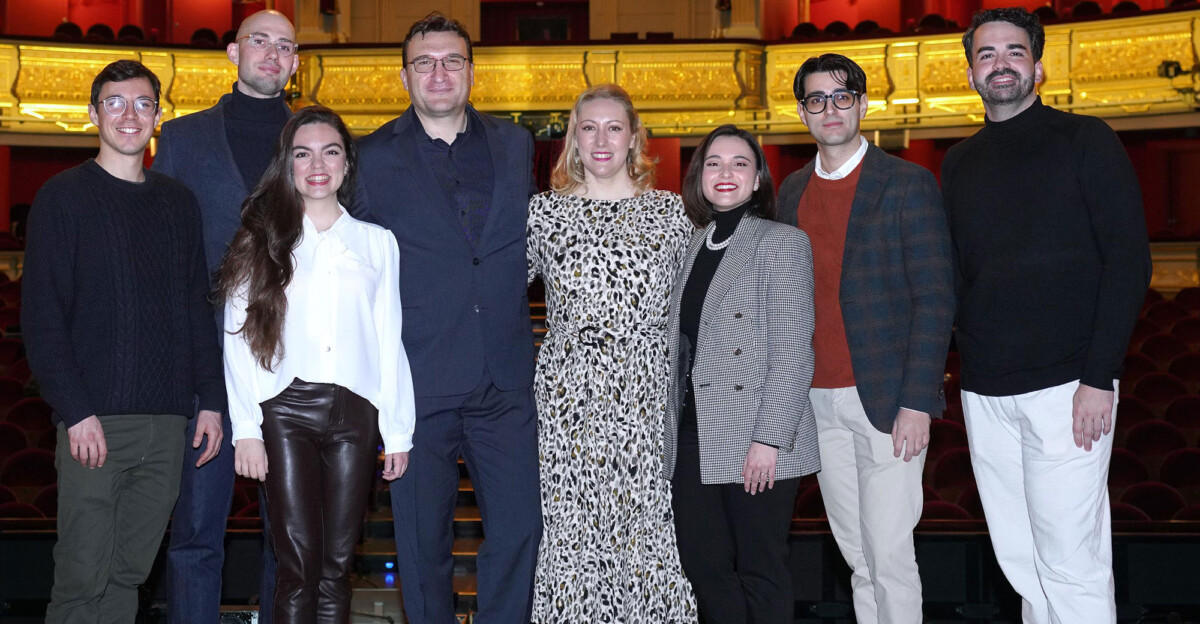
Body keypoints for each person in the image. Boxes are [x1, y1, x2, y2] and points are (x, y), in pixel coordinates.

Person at [941, 8, 1151, 623]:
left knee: (1071, 556)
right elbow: (958, 275)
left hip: (1070, 386)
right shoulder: (957, 162)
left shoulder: (1086, 139)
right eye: (986, 54)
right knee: (1020, 556)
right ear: (972, 71)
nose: (1000, 63)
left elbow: (1127, 264)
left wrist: (1099, 377)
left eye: (1013, 52)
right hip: (986, 391)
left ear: (1037, 65)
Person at [353, 12, 542, 624]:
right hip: (416, 382)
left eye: (452, 61)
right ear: (404, 75)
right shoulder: (371, 157)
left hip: (505, 378)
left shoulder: (515, 145)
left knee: (520, 534)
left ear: (470, 70)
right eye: (425, 62)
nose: (439, 73)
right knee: (420, 547)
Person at [22, 59, 224, 623]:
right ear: (93, 114)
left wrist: (210, 400)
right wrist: (76, 410)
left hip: (167, 424)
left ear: (159, 115)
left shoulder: (179, 203)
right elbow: (42, 319)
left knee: (129, 575)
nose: (129, 114)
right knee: (83, 575)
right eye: (115, 102)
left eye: (142, 103)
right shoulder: (62, 198)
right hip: (95, 422)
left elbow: (194, 310)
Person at [216, 105, 416, 624]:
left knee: (337, 564)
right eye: (303, 154)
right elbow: (237, 340)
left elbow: (388, 339)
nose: (317, 164)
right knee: (297, 564)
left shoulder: (378, 243)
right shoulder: (258, 241)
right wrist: (247, 430)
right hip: (284, 413)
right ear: (288, 165)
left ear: (347, 164)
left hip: (355, 415)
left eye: (330, 152)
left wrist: (397, 431)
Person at [776, 54, 955, 624]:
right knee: (857, 556)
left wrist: (917, 402)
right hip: (815, 402)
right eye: (816, 99)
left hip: (885, 399)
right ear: (802, 112)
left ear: (863, 103)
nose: (830, 109)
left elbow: (935, 299)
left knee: (890, 554)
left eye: (842, 96)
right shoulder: (791, 192)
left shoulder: (907, 183)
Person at [525, 83, 697, 623]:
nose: (601, 139)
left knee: (646, 529)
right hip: (568, 396)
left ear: (633, 139)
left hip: (647, 393)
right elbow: (492, 297)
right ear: (573, 138)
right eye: (588, 127)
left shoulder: (673, 215)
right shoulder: (542, 214)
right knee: (571, 530)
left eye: (614, 127)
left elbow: (703, 307)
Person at [151, 10, 299, 622]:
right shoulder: (183, 139)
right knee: (193, 534)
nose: (271, 53)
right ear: (233, 53)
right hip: (202, 364)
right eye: (259, 41)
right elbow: (158, 250)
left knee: (289, 542)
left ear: (295, 62)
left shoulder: (317, 138)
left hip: (294, 363)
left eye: (285, 46)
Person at [664, 123, 820, 624]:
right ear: (699, 177)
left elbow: (794, 349)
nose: (725, 172)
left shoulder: (782, 242)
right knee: (703, 566)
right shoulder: (692, 246)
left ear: (757, 180)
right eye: (713, 163)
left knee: (761, 569)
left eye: (739, 163)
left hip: (757, 433)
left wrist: (769, 439)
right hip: (696, 432)